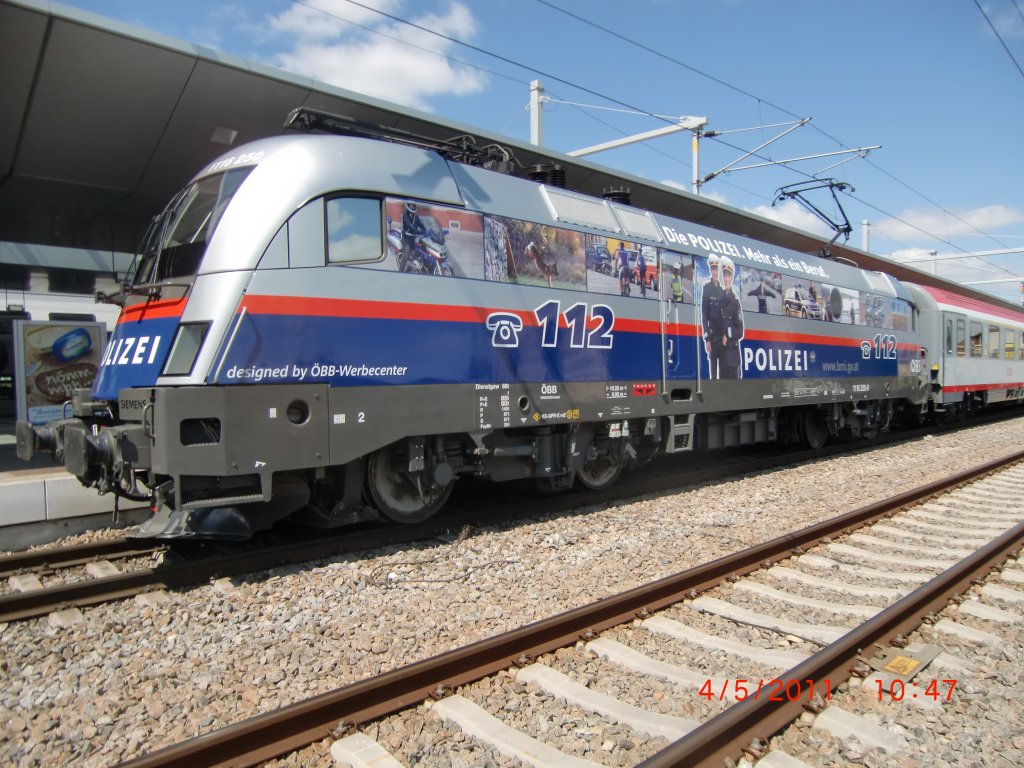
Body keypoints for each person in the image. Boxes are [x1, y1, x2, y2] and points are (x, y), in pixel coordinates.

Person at [718, 256, 744, 379]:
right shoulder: (720, 299)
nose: (726, 279)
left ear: (732, 278)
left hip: (732, 356)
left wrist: (727, 335)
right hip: (722, 356)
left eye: (728, 276)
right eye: (724, 276)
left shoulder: (735, 301)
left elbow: (740, 331)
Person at [701, 255, 725, 378]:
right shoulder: (707, 288)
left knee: (723, 370)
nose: (715, 272)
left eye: (716, 269)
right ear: (711, 271)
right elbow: (704, 315)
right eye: (713, 269)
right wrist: (707, 339)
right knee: (713, 371)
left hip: (723, 337)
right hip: (713, 336)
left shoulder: (722, 290)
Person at [400, 202, 426, 272]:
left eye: (413, 205)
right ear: (408, 206)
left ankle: (410, 269)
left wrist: (425, 230)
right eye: (410, 205)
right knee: (407, 254)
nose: (412, 207)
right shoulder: (405, 215)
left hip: (413, 238)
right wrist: (418, 231)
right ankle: (400, 271)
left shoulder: (416, 217)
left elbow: (421, 225)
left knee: (418, 253)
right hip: (406, 238)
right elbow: (410, 226)